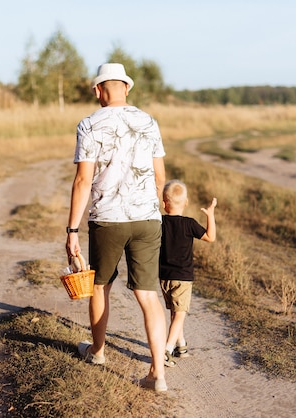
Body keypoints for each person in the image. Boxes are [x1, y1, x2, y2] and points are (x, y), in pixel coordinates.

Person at [66, 63, 168, 392]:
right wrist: (154, 210)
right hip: (147, 218)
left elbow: (83, 181)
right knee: (148, 295)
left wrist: (71, 231)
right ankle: (158, 374)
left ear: (98, 90)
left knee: (100, 287)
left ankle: (97, 352)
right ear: (127, 88)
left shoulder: (89, 124)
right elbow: (159, 176)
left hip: (107, 219)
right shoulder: (148, 121)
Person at [159, 180, 217, 367]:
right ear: (186, 202)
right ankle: (166, 350)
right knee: (180, 313)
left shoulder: (159, 222)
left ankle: (180, 345)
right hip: (182, 277)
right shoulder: (189, 224)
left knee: (175, 313)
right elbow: (210, 237)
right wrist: (210, 215)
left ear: (163, 202)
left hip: (164, 276)